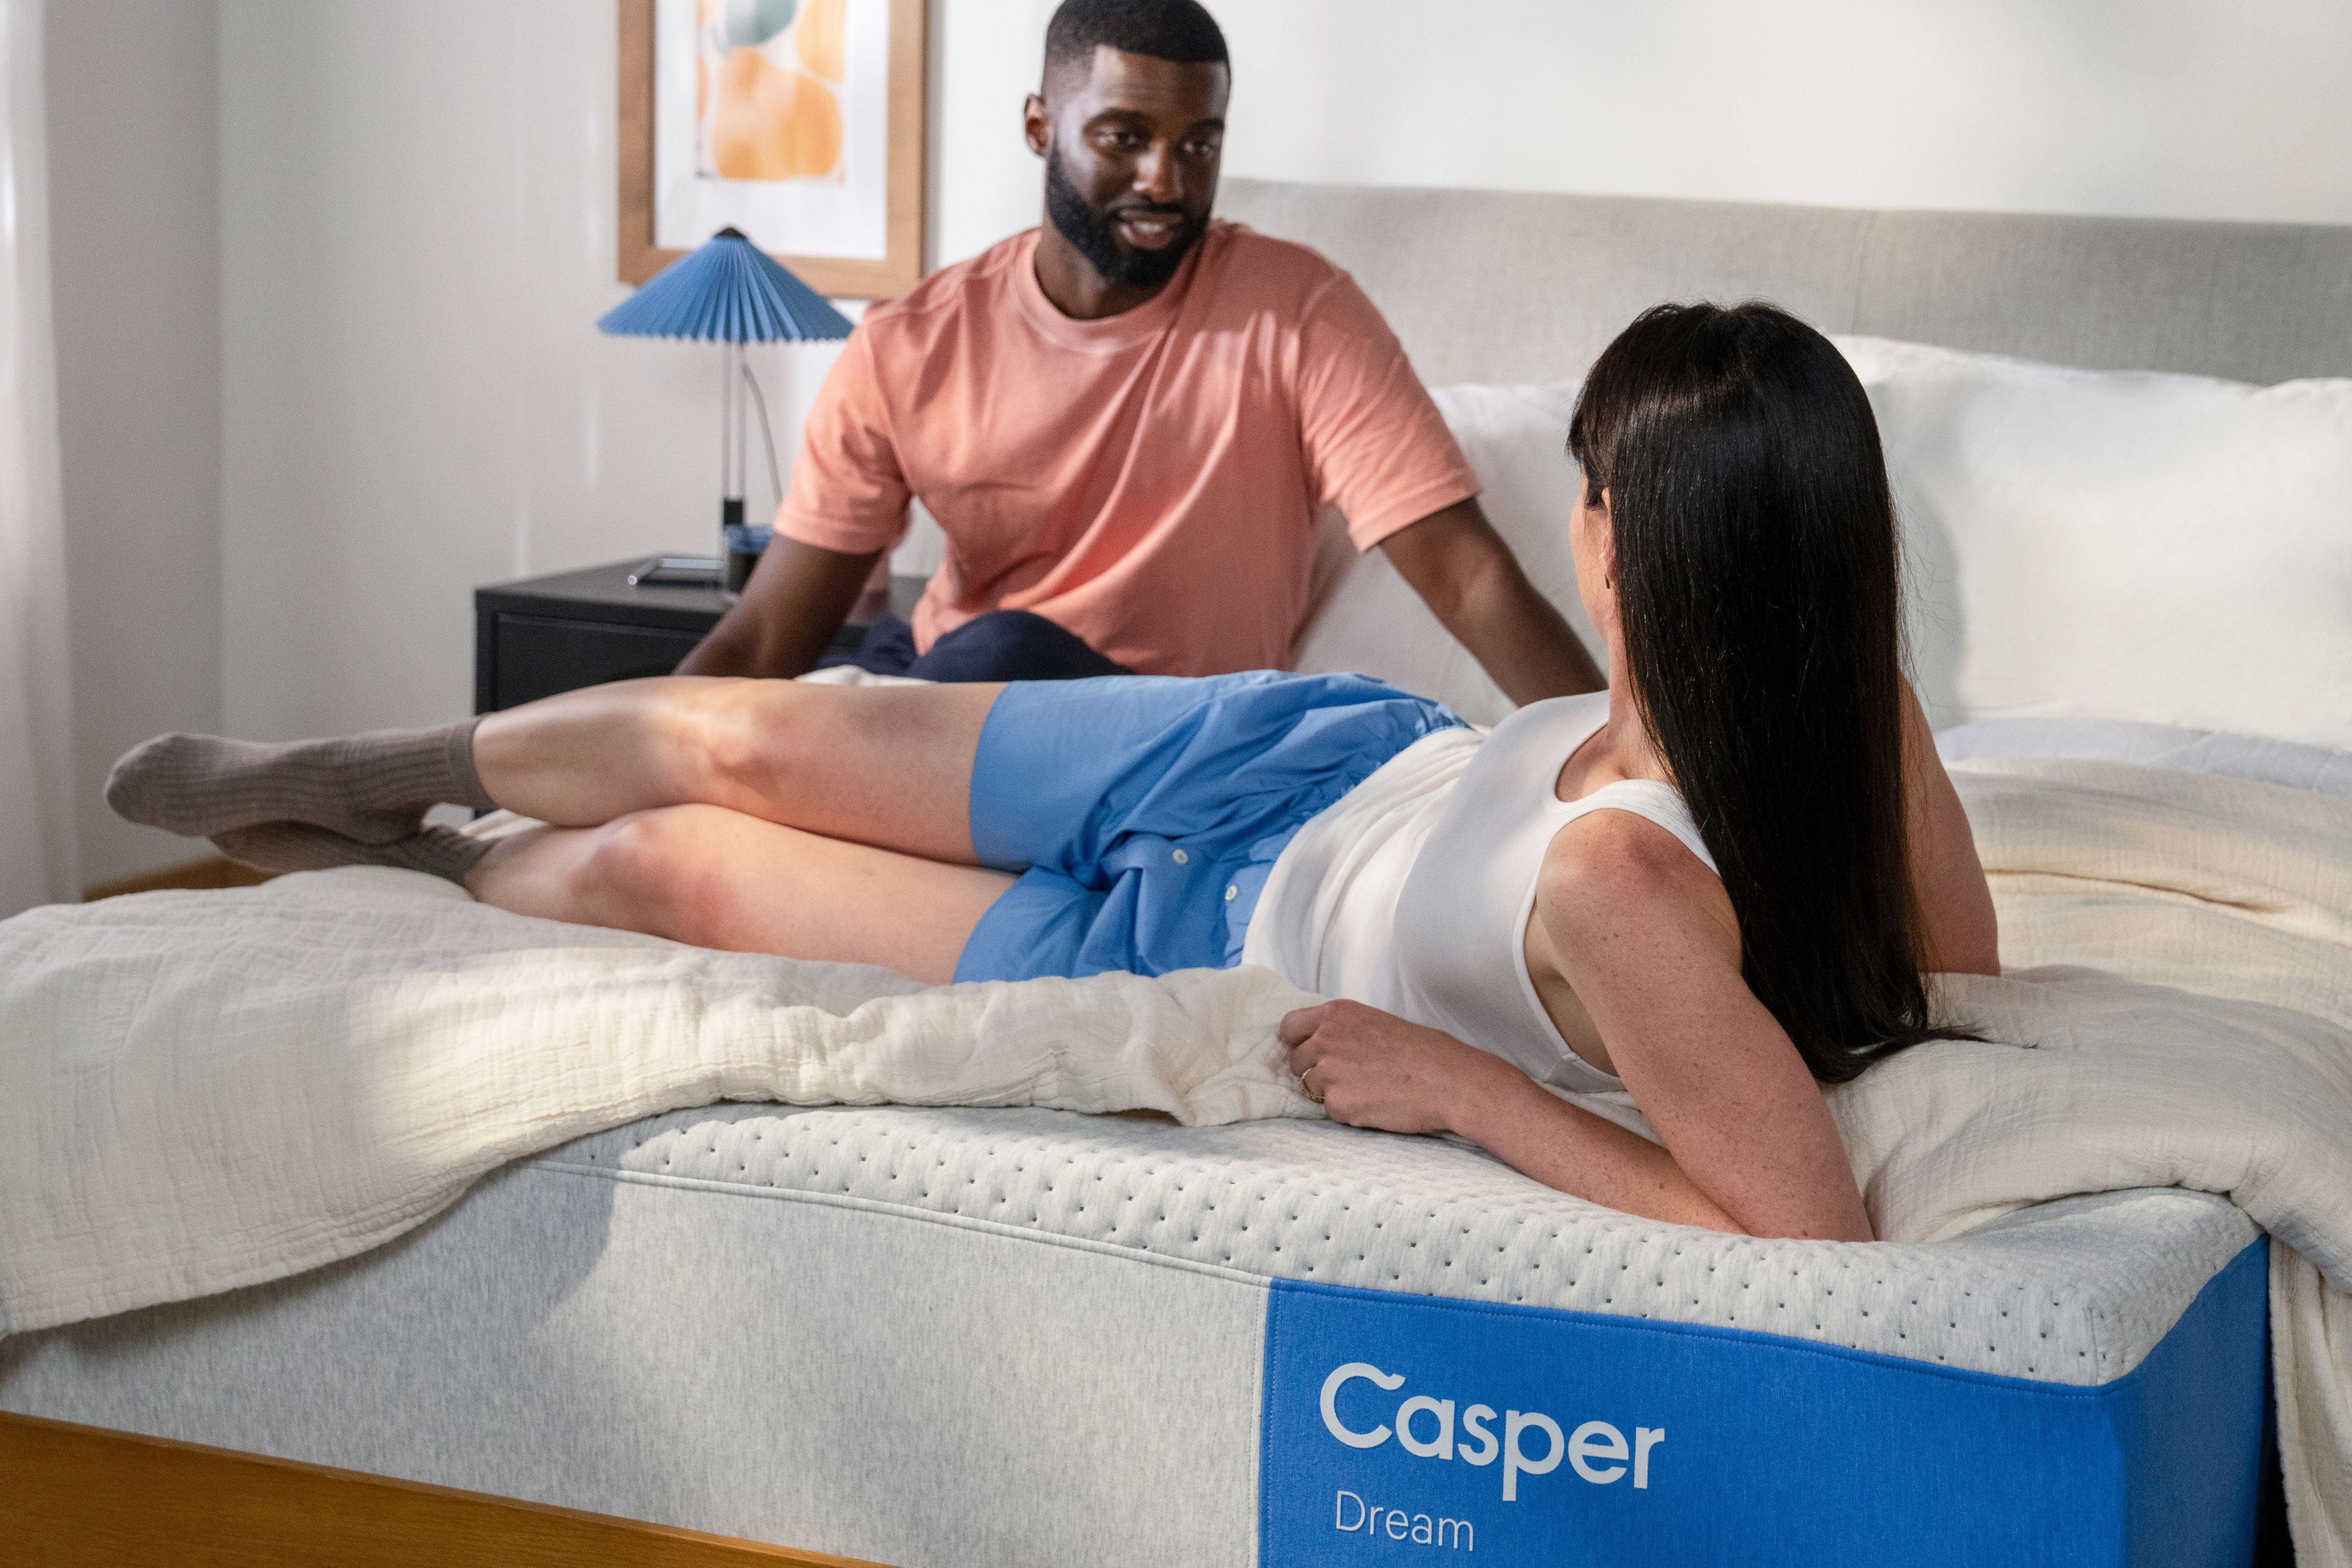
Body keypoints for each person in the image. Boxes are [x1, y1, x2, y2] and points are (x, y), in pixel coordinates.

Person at [108, 302, 1998, 1243]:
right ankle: (349, 767)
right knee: (759, 725)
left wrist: (1465, 1091)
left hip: (1198, 946)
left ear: (1620, 538)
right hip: (1304, 751)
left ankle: (414, 869)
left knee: (665, 876)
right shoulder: (1853, 717)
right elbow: (1976, 975)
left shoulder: (1626, 891)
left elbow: (1807, 1232)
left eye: (1580, 494)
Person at [677, 0, 1603, 699]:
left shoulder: (1297, 310)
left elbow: (1465, 571)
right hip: (940, 685)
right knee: (814, 699)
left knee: (1003, 652)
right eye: (1124, 138)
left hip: (1164, 724)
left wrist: (1615, 780)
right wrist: (626, 755)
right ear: (1041, 126)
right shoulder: (907, 345)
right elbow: (767, 639)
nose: (1165, 180)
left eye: (1198, 145)